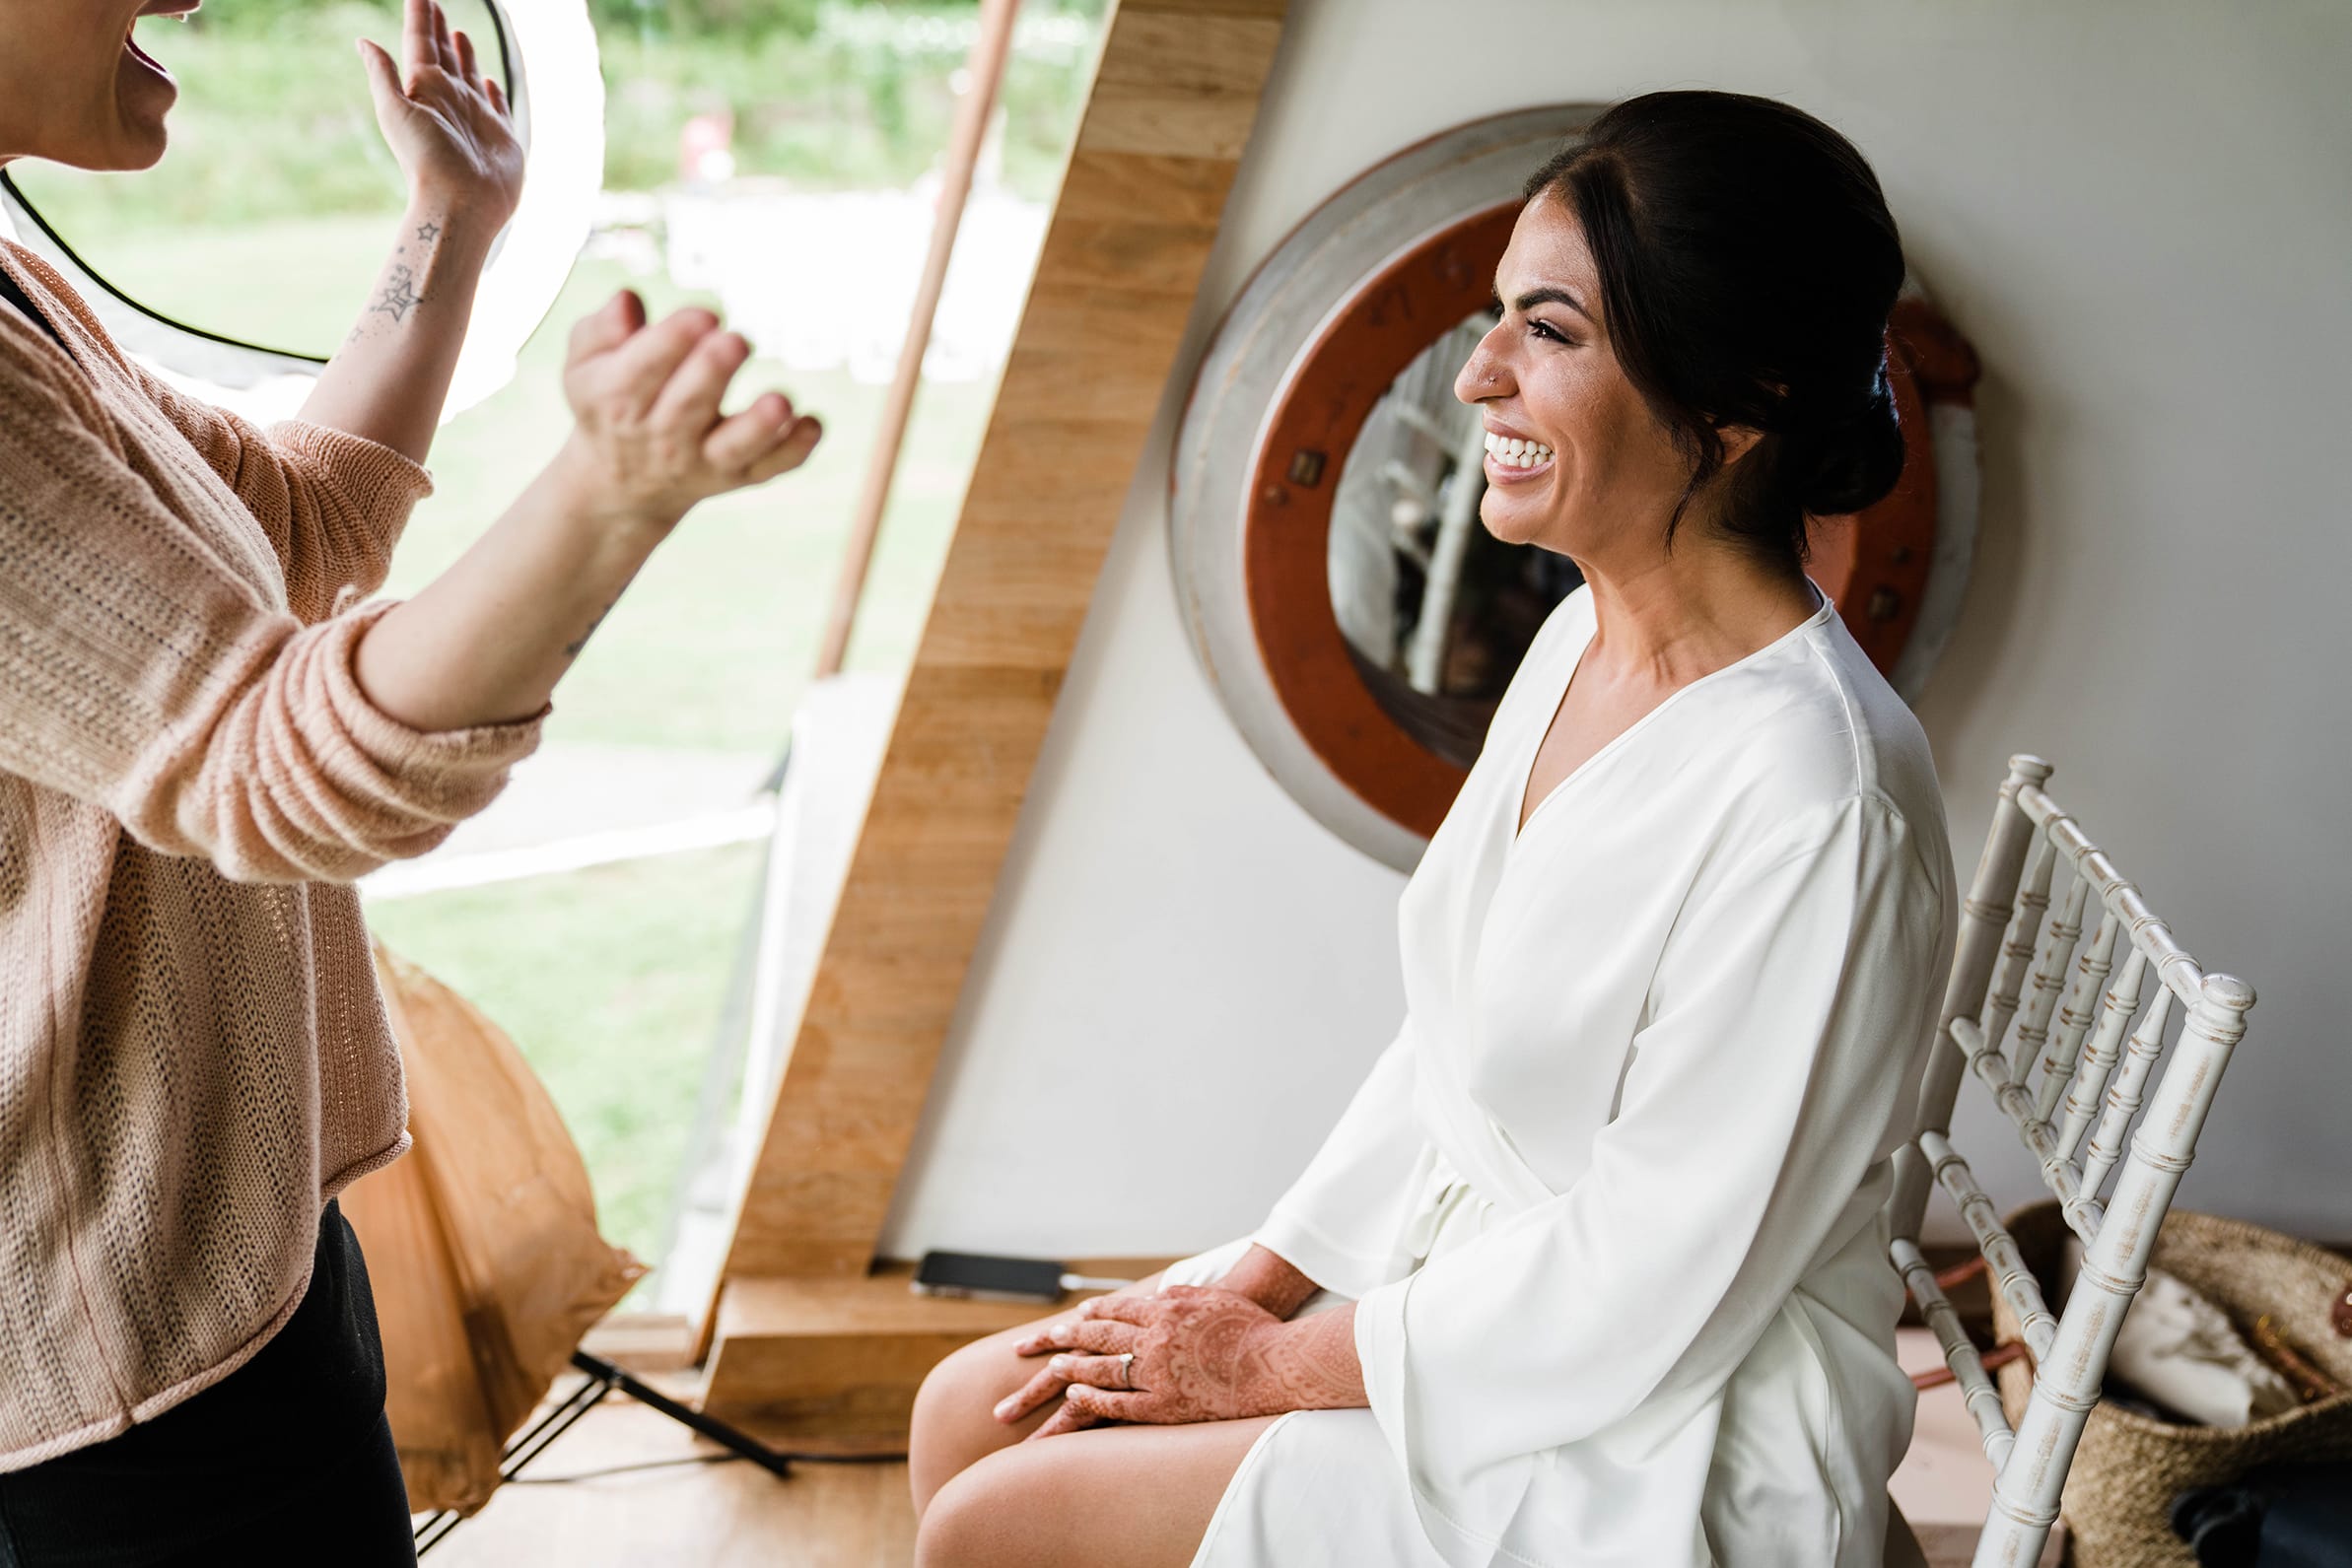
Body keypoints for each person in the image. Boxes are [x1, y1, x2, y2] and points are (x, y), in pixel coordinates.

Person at [907, 91, 1955, 1568]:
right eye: (1495, 319)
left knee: (997, 1526)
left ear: (1735, 405)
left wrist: (1266, 1370)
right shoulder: (1574, 650)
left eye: (1551, 331)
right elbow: (1448, 1055)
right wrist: (1266, 1279)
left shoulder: (1813, 798)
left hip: (1665, 1426)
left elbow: (1654, 1274)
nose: (1475, 378)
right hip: (1475, 1295)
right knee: (977, 1409)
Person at [0, 1, 819, 1560]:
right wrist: (609, 499)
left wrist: (449, 219)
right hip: (105, 1370)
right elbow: (262, 764)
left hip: (219, 1281)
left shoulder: (20, 301)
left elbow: (297, 532)